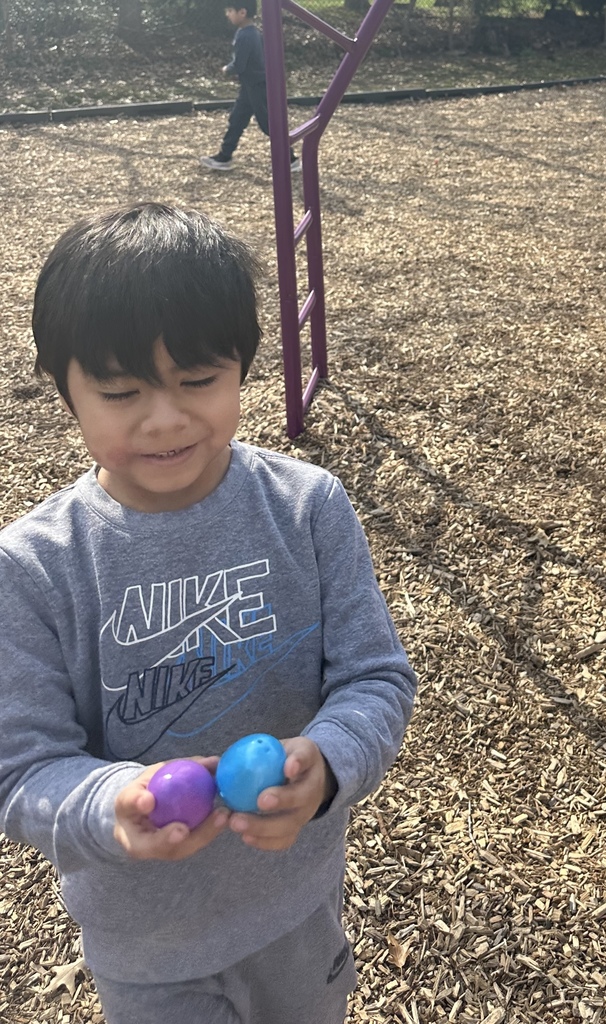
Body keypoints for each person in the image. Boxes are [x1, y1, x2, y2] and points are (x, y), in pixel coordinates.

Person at [0, 201, 417, 1024]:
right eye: (120, 391)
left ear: (242, 368)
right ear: (65, 390)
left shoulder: (306, 508)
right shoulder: (34, 567)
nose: (165, 418)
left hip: (296, 907)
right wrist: (114, 803)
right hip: (147, 947)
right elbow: (22, 769)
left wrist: (328, 762)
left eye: (198, 381)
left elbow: (376, 678)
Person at [200, 0, 300, 173]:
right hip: (251, 85)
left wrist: (227, 69)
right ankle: (224, 156)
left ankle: (291, 159)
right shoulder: (252, 32)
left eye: (230, 10)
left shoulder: (245, 35)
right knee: (237, 119)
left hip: (256, 85)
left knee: (268, 124)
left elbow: (239, 64)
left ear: (242, 12)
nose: (227, 14)